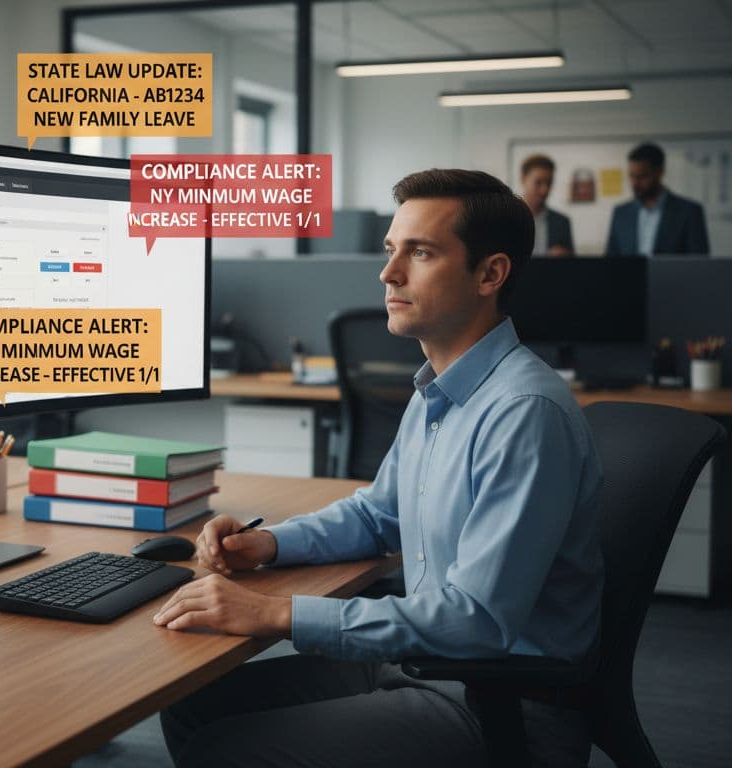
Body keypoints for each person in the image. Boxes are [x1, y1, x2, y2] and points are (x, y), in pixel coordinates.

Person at [156, 169, 603, 768]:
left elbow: (476, 620)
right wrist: (265, 544)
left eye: (420, 253)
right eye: (392, 251)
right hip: (426, 664)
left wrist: (277, 614)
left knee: (226, 749)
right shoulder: (437, 390)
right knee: (193, 703)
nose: (389, 274)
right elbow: (379, 515)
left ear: (490, 274)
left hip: (498, 700)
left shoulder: (523, 413)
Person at [604, 142, 710, 256]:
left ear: (660, 172)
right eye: (632, 176)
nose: (634, 183)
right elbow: (610, 261)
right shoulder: (621, 213)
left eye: (642, 177)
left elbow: (699, 264)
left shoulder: (689, 212)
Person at [519, 153, 573, 257]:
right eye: (538, 182)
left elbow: (574, 264)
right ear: (523, 180)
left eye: (549, 183)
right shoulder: (507, 219)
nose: (545, 190)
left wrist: (565, 257)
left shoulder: (562, 222)